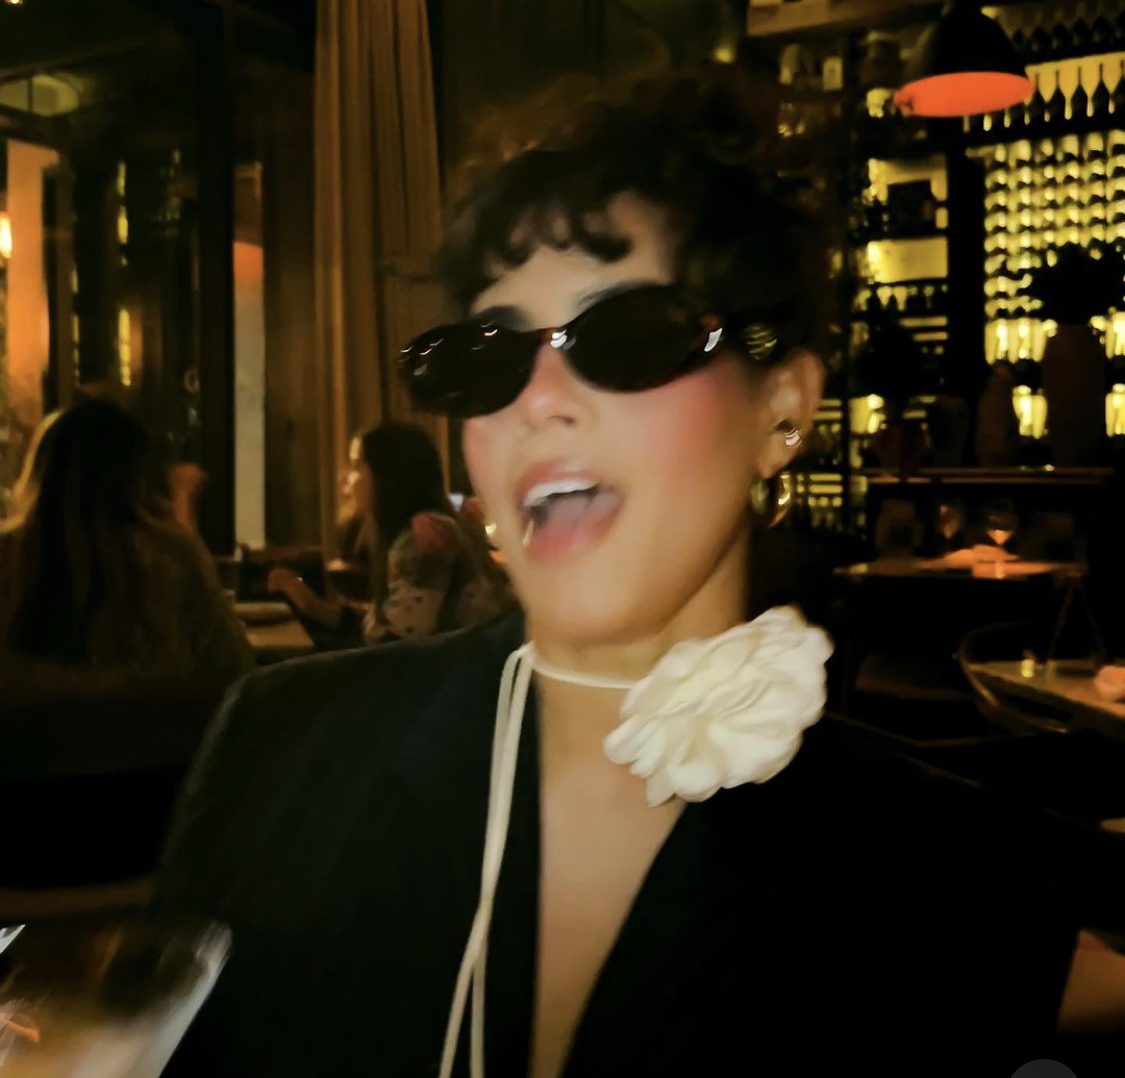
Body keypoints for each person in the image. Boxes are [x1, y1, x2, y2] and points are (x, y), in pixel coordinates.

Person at [156, 68, 1117, 1077]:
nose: (538, 398)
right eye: (490, 354)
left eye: (629, 334)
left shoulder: (939, 874)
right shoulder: (282, 750)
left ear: (782, 407)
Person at [0, 398, 252, 684]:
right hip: (159, 715)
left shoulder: (8, 557)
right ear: (137, 475)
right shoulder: (172, 557)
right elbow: (233, 666)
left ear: (40, 469)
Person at [268, 420, 513, 645]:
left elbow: (394, 645)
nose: (346, 479)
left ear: (387, 475)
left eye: (356, 466)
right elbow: (389, 624)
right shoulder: (428, 528)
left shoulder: (426, 535)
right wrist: (312, 606)